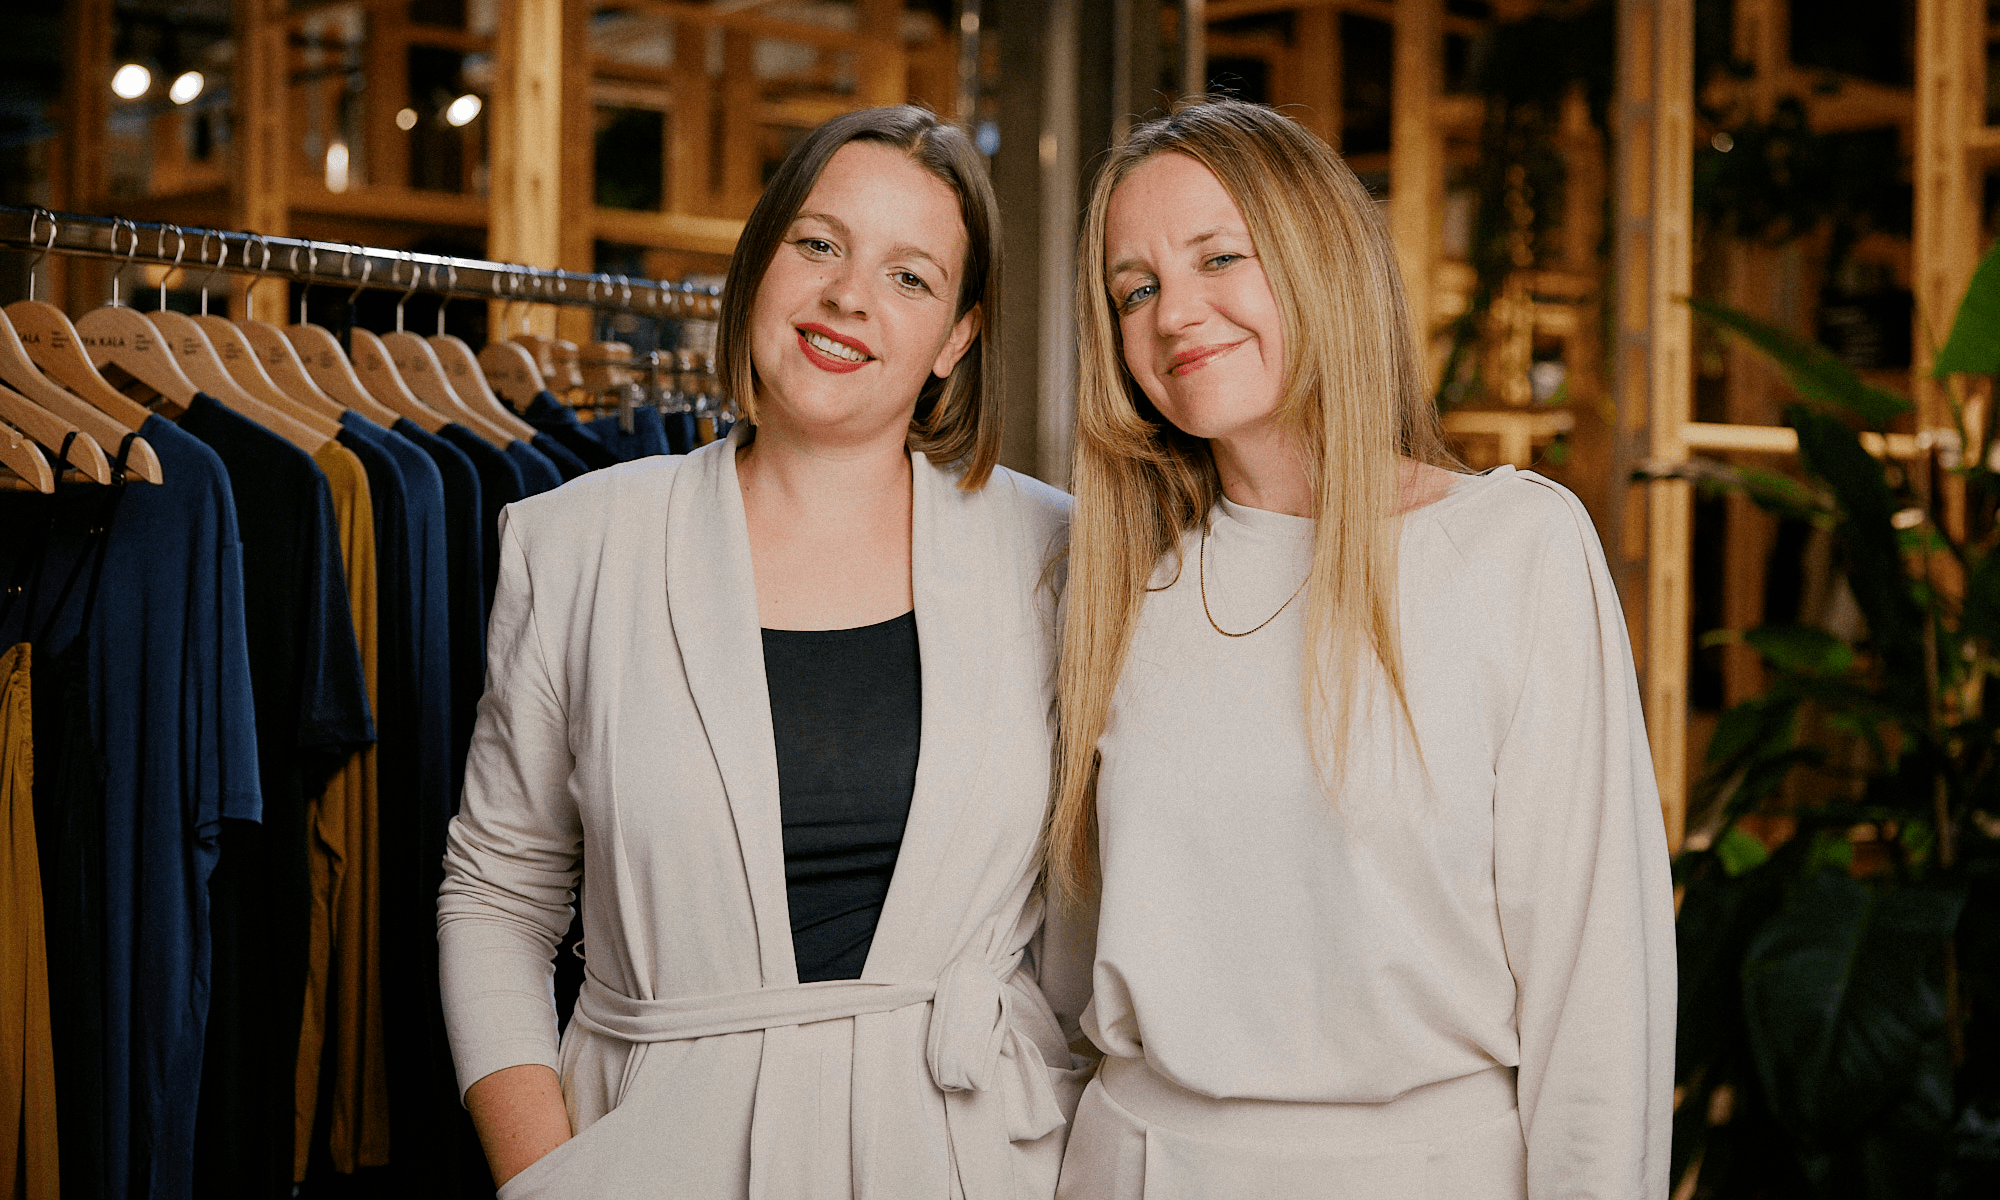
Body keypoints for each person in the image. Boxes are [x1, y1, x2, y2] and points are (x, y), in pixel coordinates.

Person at [438, 105, 1085, 1200]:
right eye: (819, 244)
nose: (848, 296)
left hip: (967, 1159)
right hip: (648, 1160)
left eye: (909, 276)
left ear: (957, 338)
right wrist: (543, 1178)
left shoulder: (1054, 554)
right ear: (759, 265)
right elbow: (498, 894)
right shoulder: (578, 543)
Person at [1044, 98, 1676, 1199]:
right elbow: (1061, 968)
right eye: (1134, 289)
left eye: (1218, 258)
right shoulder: (1113, 581)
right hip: (1134, 1164)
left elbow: (1598, 992)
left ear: (1320, 258)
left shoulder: (1512, 548)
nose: (1173, 313)